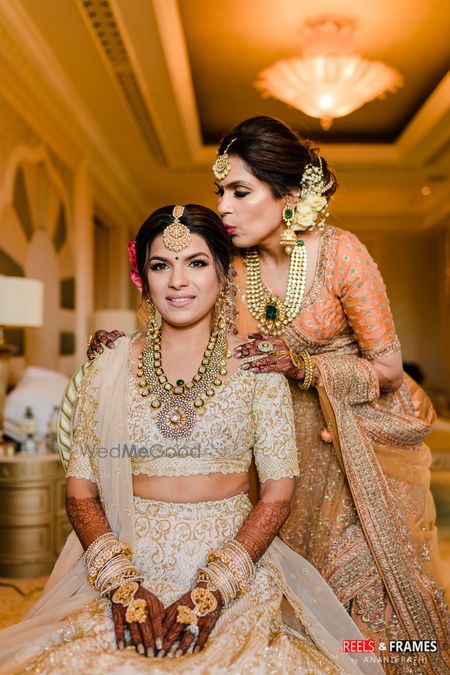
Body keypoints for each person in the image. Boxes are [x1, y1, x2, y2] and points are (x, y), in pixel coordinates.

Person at [88, 117, 449, 673]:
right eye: (220, 192)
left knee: (364, 607)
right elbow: (193, 330)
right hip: (277, 443)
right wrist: (123, 348)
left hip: (353, 445)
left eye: (240, 191)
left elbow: (389, 369)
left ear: (290, 195)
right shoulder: (234, 266)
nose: (224, 208)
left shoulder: (341, 254)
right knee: (293, 608)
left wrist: (304, 367)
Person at [0, 204, 377, 675]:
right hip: (124, 567)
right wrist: (122, 586)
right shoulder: (108, 366)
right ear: (144, 278)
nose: (178, 281)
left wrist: (215, 587)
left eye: (196, 263)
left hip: (234, 569)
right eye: (162, 265)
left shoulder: (258, 370)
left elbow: (278, 492)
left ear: (223, 273)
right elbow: (81, 492)